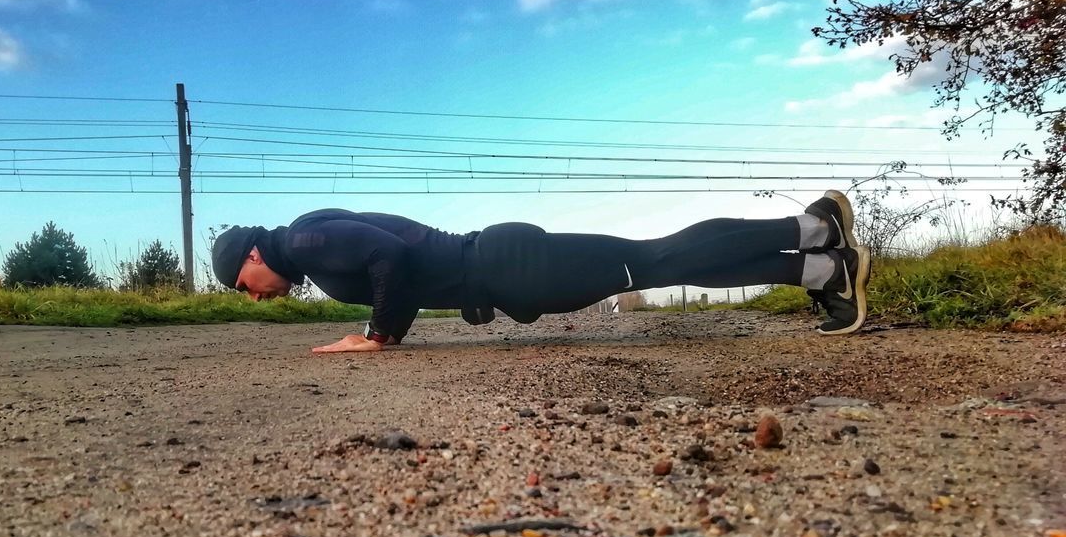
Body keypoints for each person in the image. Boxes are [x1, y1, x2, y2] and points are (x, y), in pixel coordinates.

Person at [211, 190, 870, 354]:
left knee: (658, 256)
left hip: (511, 265)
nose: (254, 296)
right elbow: (402, 273)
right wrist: (387, 328)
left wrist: (377, 335)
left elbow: (391, 259)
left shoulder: (304, 237)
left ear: (250, 256)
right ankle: (821, 271)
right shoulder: (309, 241)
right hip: (505, 266)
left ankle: (812, 231)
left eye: (243, 286)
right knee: (654, 259)